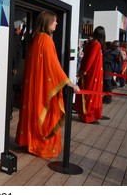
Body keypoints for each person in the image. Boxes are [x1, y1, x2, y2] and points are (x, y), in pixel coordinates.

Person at [15, 10, 80, 158]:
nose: (57, 23)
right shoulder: (46, 39)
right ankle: (40, 145)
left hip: (33, 85)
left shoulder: (35, 38)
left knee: (33, 111)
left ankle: (29, 142)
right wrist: (68, 82)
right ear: (47, 21)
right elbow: (53, 66)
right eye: (54, 20)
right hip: (43, 86)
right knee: (45, 113)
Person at [74, 26, 105, 124]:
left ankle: (86, 115)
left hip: (92, 74)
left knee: (89, 95)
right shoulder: (96, 44)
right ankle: (88, 116)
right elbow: (90, 60)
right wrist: (83, 72)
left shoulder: (92, 44)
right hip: (93, 75)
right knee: (91, 95)